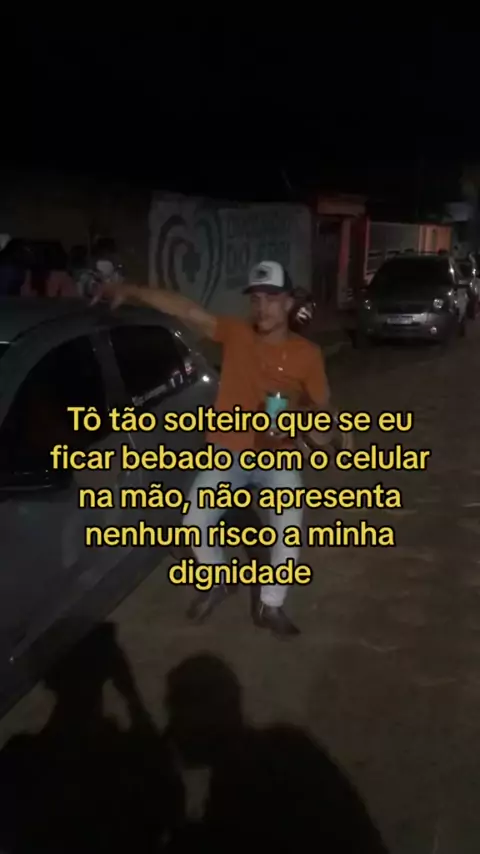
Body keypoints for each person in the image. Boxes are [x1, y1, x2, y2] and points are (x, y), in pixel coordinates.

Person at [94, 261, 330, 638]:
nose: (262, 307)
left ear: (288, 303)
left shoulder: (308, 354)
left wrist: (306, 424)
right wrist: (130, 290)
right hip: (228, 451)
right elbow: (184, 308)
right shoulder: (235, 333)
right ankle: (218, 580)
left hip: (276, 453)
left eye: (271, 298)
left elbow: (322, 409)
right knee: (195, 522)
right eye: (256, 298)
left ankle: (271, 605)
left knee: (288, 530)